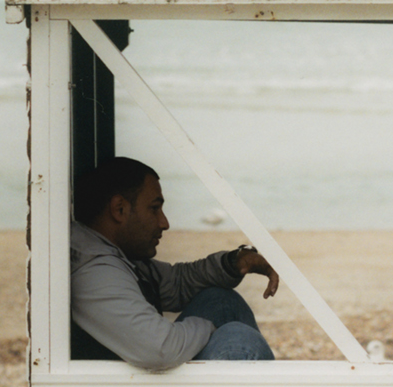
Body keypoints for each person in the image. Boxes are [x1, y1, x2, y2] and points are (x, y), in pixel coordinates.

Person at [70, 156, 278, 368]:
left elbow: (176, 282)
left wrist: (233, 263)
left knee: (223, 300)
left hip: (137, 378)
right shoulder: (94, 271)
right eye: (154, 208)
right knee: (242, 342)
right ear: (119, 209)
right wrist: (210, 327)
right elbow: (160, 348)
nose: (165, 223)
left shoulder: (112, 254)